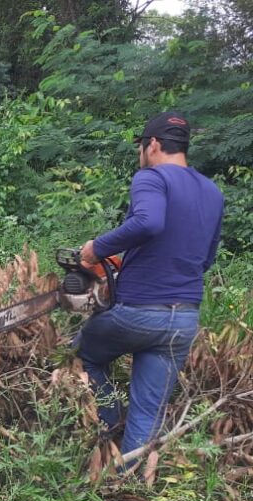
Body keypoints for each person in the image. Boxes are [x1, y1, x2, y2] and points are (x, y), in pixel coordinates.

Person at [75, 111, 225, 460]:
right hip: (183, 321)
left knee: (83, 351)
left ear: (153, 144)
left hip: (140, 314)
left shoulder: (151, 178)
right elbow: (205, 258)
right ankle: (130, 492)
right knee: (146, 413)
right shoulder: (213, 192)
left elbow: (148, 221)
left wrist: (96, 248)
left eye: (142, 146)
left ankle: (107, 424)